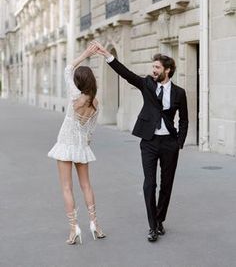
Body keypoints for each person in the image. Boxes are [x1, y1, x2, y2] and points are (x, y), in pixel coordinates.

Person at [95, 41, 188, 242]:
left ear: (167, 70)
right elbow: (127, 74)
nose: (153, 70)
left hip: (169, 144)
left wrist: (179, 143)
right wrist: (107, 56)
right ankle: (152, 227)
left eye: (157, 67)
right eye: (152, 67)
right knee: (149, 184)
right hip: (149, 142)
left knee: (167, 185)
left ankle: (159, 219)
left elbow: (185, 119)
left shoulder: (179, 92)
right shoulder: (147, 84)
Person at [48, 42, 106, 245]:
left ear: (78, 82)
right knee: (86, 185)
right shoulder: (96, 105)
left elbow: (67, 68)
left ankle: (74, 229)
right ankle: (95, 225)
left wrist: (85, 54)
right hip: (81, 146)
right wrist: (84, 141)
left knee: (66, 187)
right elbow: (91, 131)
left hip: (65, 144)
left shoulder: (75, 97)